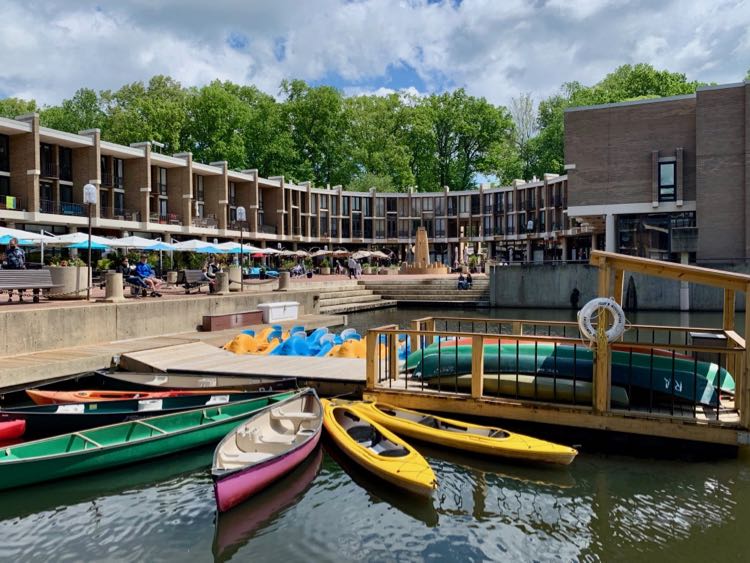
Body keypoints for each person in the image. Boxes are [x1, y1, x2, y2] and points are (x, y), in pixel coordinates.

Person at [4, 237, 26, 302]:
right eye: (10, 244)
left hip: (20, 270)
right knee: (10, 285)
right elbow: (5, 260)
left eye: (12, 244)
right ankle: (10, 297)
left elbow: (24, 260)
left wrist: (23, 266)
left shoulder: (21, 251)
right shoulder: (7, 251)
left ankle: (21, 297)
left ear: (16, 244)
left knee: (20, 285)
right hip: (11, 270)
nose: (11, 245)